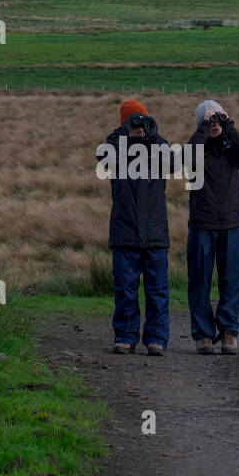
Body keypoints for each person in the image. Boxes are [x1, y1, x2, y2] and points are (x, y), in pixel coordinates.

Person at [186, 99, 239, 355]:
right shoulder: (195, 147)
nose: (214, 125)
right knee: (199, 281)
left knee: (232, 281)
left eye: (217, 119)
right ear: (201, 124)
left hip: (231, 223)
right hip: (202, 223)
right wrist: (204, 128)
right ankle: (203, 334)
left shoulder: (231, 146)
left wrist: (229, 127)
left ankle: (229, 332)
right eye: (209, 121)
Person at [99, 99, 172, 355]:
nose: (140, 127)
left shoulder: (156, 150)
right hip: (125, 232)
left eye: (142, 121)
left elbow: (174, 162)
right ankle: (125, 336)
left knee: (157, 290)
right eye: (134, 122)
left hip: (154, 234)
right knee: (125, 289)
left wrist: (154, 136)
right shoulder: (116, 151)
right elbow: (102, 156)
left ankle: (157, 338)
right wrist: (124, 133)